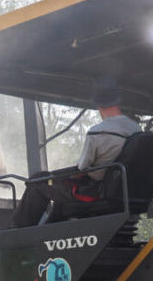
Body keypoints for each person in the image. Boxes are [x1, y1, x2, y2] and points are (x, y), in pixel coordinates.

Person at [11, 83, 140, 227]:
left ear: (99, 106)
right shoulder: (136, 129)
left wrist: (62, 178)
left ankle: (16, 233)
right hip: (123, 190)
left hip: (96, 191)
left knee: (37, 182)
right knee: (57, 198)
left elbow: (82, 170)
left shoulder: (98, 132)